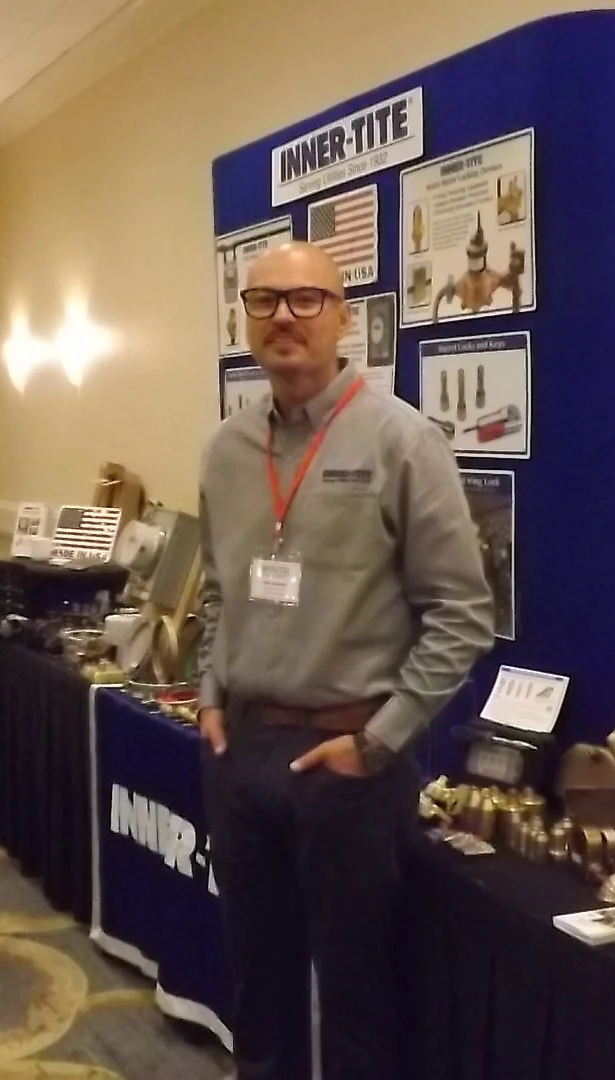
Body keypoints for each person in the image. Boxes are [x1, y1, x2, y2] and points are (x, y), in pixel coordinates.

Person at [195, 242, 495, 1079]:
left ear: (342, 316)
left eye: (305, 299)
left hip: (349, 766)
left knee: (360, 1004)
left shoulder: (403, 440)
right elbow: (222, 591)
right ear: (244, 318)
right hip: (242, 754)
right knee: (260, 989)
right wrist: (213, 692)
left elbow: (463, 616)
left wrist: (378, 743)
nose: (284, 316)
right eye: (264, 302)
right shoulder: (225, 450)